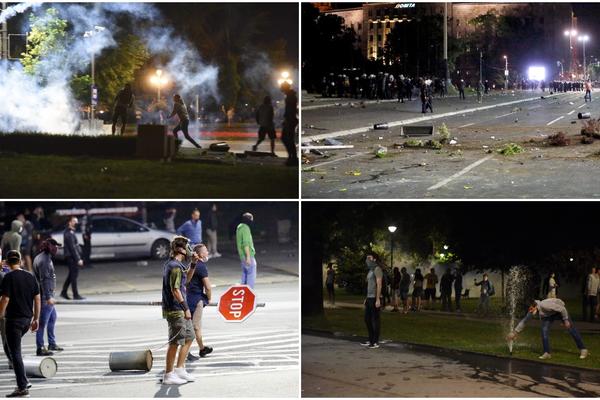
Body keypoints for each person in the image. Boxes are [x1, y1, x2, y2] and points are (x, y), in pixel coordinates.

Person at [0, 250, 41, 397]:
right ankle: (23, 382)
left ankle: (22, 386)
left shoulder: (8, 277)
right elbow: (37, 298)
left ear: (7, 262)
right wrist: (36, 319)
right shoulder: (30, 276)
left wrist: (0, 315)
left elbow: (5, 299)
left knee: (15, 352)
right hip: (26, 320)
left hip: (14, 321)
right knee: (14, 349)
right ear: (21, 261)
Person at [161, 236, 196, 385]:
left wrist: (193, 264)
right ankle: (169, 375)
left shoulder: (178, 265)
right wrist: (186, 308)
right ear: (181, 249)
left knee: (189, 337)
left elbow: (185, 281)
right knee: (175, 342)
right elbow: (176, 290)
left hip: (180, 308)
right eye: (188, 246)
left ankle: (180, 369)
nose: (190, 249)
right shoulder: (174, 266)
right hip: (176, 310)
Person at [507, 298, 588, 360]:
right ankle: (547, 353)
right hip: (548, 315)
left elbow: (562, 309)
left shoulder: (544, 305)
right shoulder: (532, 310)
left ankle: (583, 349)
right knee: (544, 331)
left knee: (571, 329)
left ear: (534, 306)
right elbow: (524, 321)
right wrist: (514, 332)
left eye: (531, 309)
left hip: (559, 311)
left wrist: (566, 320)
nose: (530, 311)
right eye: (529, 310)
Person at [33, 239, 64, 356]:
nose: (58, 249)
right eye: (56, 246)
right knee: (42, 323)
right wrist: (48, 297)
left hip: (46, 295)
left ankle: (51, 343)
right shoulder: (45, 260)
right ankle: (40, 347)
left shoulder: (41, 257)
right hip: (46, 296)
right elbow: (44, 280)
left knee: (52, 318)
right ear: (51, 248)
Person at [185, 244, 213, 362]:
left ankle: (202, 348)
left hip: (187, 299)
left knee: (190, 327)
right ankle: (187, 353)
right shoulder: (201, 267)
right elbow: (208, 287)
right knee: (195, 328)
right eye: (206, 251)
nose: (207, 252)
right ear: (200, 254)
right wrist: (209, 298)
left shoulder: (191, 265)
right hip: (196, 300)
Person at [60, 216, 85, 300]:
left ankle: (64, 292)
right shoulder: (68, 233)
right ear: (69, 222)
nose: (76, 223)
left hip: (71, 256)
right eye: (74, 221)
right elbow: (72, 248)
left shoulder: (71, 232)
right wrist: (78, 259)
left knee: (71, 275)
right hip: (71, 257)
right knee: (73, 276)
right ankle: (75, 294)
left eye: (76, 221)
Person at [362, 254, 382, 348]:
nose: (367, 260)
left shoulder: (377, 269)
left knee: (375, 320)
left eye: (369, 258)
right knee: (367, 319)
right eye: (367, 258)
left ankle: (375, 342)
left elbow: (379, 285)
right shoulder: (370, 270)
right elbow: (369, 285)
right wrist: (366, 298)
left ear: (374, 259)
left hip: (375, 297)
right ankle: (371, 339)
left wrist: (378, 299)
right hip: (369, 298)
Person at [280, 82, 298, 166]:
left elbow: (290, 110)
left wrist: (287, 120)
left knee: (287, 139)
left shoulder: (290, 96)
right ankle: (292, 157)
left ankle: (293, 158)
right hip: (290, 119)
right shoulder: (289, 95)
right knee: (287, 139)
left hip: (290, 120)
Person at [236, 213, 256, 289]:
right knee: (251, 276)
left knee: (245, 275)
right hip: (248, 256)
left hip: (242, 256)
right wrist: (248, 257)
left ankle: (243, 294)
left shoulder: (239, 227)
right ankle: (249, 293)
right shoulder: (245, 228)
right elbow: (246, 243)